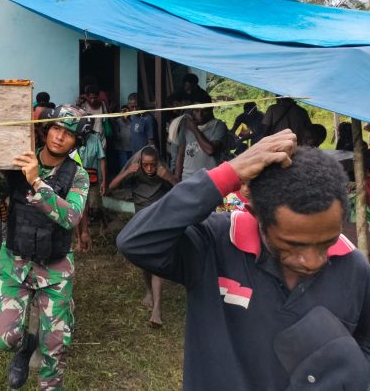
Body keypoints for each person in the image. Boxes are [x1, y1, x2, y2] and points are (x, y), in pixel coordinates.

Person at [117, 131, 370, 390]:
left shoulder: (354, 269)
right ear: (255, 215)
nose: (312, 261)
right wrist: (228, 174)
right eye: (293, 244)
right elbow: (136, 242)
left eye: (327, 242)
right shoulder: (213, 244)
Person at [0, 104, 91, 390]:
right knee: (4, 337)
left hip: (55, 270)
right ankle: (25, 346)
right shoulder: (18, 162)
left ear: (76, 142)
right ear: (47, 129)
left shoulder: (77, 175)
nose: (60, 137)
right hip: (16, 265)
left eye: (69, 134)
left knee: (55, 347)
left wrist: (35, 180)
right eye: (57, 128)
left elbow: (70, 217)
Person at [109, 146, 176, 327]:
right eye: (145, 165)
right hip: (141, 223)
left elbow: (181, 189)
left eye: (152, 165)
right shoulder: (135, 174)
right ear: (140, 164)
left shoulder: (162, 174)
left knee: (156, 263)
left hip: (158, 223)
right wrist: (127, 172)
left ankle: (157, 310)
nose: (149, 169)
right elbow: (110, 187)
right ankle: (149, 291)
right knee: (145, 261)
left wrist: (167, 177)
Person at [175, 102, 227, 181]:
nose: (200, 114)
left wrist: (194, 129)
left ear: (211, 109)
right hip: (188, 177)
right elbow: (181, 154)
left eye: (204, 110)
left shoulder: (218, 125)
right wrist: (177, 177)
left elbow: (210, 150)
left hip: (210, 178)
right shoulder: (185, 127)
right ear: (192, 111)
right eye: (196, 110)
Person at [78, 85, 109, 150]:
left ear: (98, 96)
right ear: (87, 97)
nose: (93, 100)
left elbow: (105, 118)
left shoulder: (102, 104)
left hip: (100, 135)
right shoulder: (84, 104)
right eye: (91, 98)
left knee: (102, 155)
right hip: (87, 136)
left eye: (95, 97)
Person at [114, 105, 133, 170]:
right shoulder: (118, 122)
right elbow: (116, 134)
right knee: (123, 166)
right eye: (123, 111)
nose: (124, 113)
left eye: (126, 111)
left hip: (131, 147)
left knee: (131, 165)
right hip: (122, 148)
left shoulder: (132, 121)